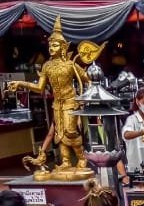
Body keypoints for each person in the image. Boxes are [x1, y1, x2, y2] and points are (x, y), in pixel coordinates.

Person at [7, 17, 90, 172]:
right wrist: (21, 83)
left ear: (63, 47)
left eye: (56, 44)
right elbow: (39, 87)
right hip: (57, 103)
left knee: (70, 131)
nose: (52, 47)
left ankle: (81, 158)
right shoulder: (47, 66)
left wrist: (85, 98)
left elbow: (87, 80)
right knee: (59, 133)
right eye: (50, 44)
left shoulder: (71, 65)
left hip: (71, 101)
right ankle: (65, 161)